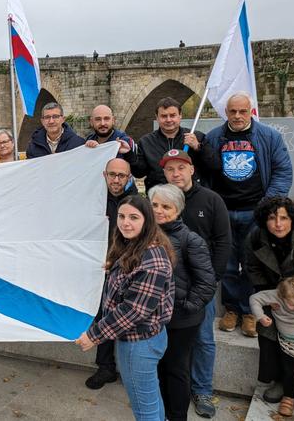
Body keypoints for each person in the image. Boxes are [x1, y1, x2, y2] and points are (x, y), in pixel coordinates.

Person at [75, 195, 175, 421]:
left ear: (147, 221)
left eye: (133, 217)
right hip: (141, 339)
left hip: (139, 344)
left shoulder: (152, 261)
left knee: (144, 408)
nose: (125, 223)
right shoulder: (136, 246)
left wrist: (94, 335)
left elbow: (134, 310)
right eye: (121, 216)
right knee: (150, 399)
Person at [204, 92, 293, 339]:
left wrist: (266, 206)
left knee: (253, 264)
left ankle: (250, 311)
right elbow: (204, 172)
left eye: (243, 111)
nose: (238, 116)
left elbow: (283, 171)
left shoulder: (269, 136)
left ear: (251, 111)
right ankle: (232, 309)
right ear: (227, 113)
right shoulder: (214, 137)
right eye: (233, 111)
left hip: (255, 212)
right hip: (224, 212)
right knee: (229, 264)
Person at [161, 148, 231, 418]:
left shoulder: (211, 200)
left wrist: (211, 280)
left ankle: (202, 388)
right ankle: (170, 388)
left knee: (203, 338)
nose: (175, 173)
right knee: (170, 342)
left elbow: (224, 242)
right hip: (168, 287)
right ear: (164, 173)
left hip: (201, 285)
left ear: (191, 169)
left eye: (180, 167)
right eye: (170, 169)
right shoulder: (160, 199)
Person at [149, 184, 216, 421]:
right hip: (153, 318)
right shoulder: (144, 235)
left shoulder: (191, 240)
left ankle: (177, 415)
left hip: (181, 320)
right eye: (155, 205)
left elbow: (207, 284)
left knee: (176, 369)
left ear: (178, 209)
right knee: (157, 367)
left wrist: (185, 307)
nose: (159, 211)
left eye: (166, 206)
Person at [245, 196, 294, 404]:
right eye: (272, 218)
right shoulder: (256, 237)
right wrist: (267, 294)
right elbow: (252, 266)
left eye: (284, 218)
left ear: (292, 219)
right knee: (269, 334)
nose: (279, 224)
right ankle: (280, 381)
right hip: (273, 293)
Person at [84, 158, 137, 390]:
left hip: (126, 268)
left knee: (124, 317)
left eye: (121, 176)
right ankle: (105, 367)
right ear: (104, 175)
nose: (116, 180)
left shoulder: (136, 202)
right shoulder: (92, 198)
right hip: (99, 268)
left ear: (129, 177)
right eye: (112, 175)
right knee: (103, 315)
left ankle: (131, 369)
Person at [250, 277, 294, 420]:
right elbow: (254, 298)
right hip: (286, 345)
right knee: (288, 372)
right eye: (293, 305)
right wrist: (260, 316)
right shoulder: (275, 295)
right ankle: (289, 397)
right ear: (282, 297)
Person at [130, 97, 218, 193]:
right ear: (157, 117)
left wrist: (198, 147)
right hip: (160, 197)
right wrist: (129, 154)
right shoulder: (146, 142)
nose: (168, 120)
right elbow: (138, 173)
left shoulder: (197, 137)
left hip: (192, 196)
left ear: (180, 115)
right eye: (164, 116)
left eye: (172, 115)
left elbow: (214, 166)